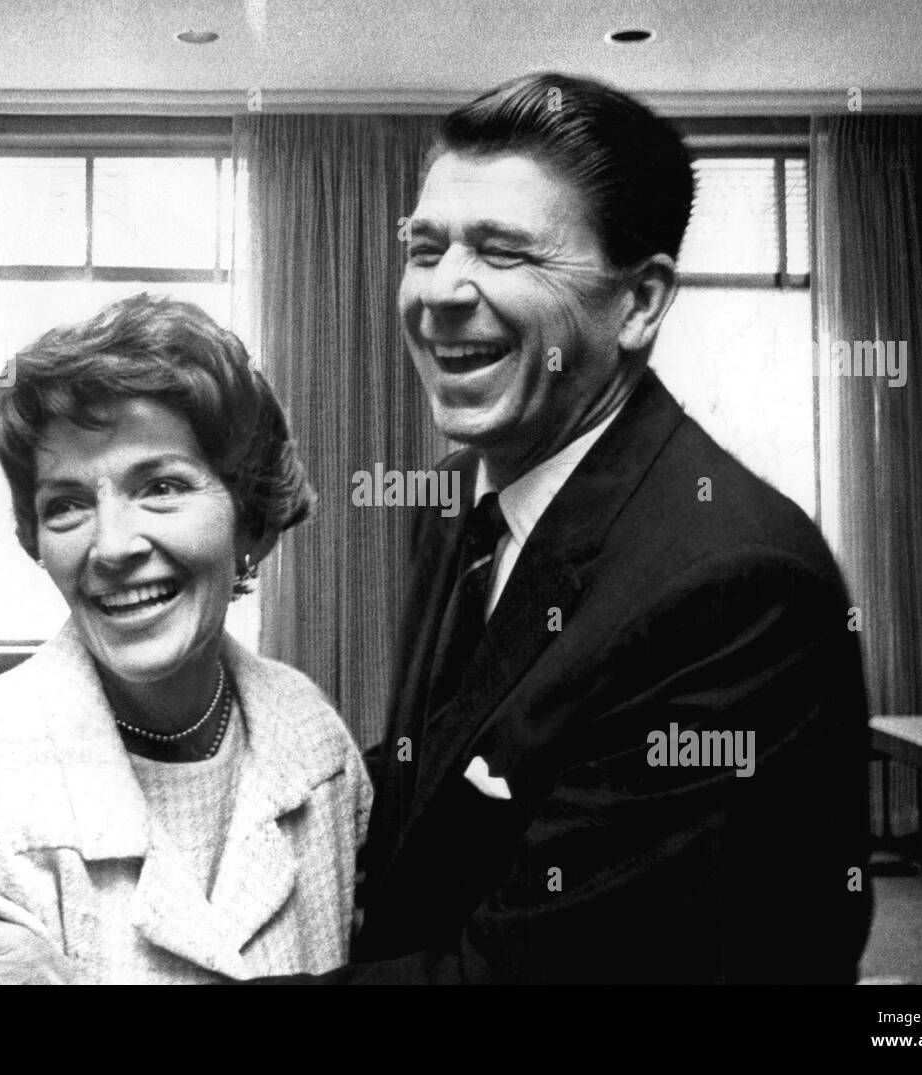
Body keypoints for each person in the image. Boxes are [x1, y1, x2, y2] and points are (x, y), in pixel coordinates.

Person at [333, 71, 873, 983]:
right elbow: (446, 775)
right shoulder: (453, 501)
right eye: (426, 248)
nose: (440, 292)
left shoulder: (735, 585)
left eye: (504, 253)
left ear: (640, 302)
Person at [0, 294, 370, 984]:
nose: (111, 546)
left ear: (250, 519)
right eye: (67, 504)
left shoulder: (314, 742)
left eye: (161, 486)